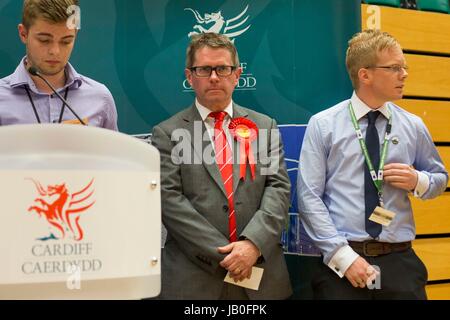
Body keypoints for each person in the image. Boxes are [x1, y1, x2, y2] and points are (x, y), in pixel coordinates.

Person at [297, 29, 448, 299]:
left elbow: (440, 178)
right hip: (342, 264)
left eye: (405, 67)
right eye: (394, 68)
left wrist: (418, 181)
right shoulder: (324, 125)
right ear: (364, 75)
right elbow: (309, 197)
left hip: (400, 262)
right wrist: (343, 257)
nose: (404, 74)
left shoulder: (413, 125)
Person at [151, 32, 292, 299]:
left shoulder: (265, 126)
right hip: (194, 280)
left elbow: (279, 189)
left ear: (237, 74)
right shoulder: (167, 133)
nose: (214, 77)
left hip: (260, 276)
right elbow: (169, 201)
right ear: (189, 76)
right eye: (204, 69)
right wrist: (229, 256)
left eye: (223, 68)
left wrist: (251, 245)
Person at [0, 0, 118, 129]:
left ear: (75, 36)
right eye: (44, 40)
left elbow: (112, 149)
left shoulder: (101, 99)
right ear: (23, 34)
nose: (55, 51)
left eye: (66, 41)